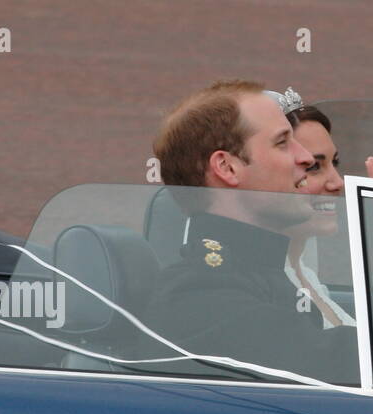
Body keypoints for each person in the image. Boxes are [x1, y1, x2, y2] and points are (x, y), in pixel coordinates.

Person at [142, 79, 357, 383]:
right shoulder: (199, 295)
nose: (305, 157)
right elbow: (329, 358)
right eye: (283, 142)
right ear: (227, 168)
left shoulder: (260, 273)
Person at [277, 94, 373, 330]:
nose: (338, 183)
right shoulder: (265, 288)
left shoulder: (305, 275)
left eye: (334, 163)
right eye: (313, 167)